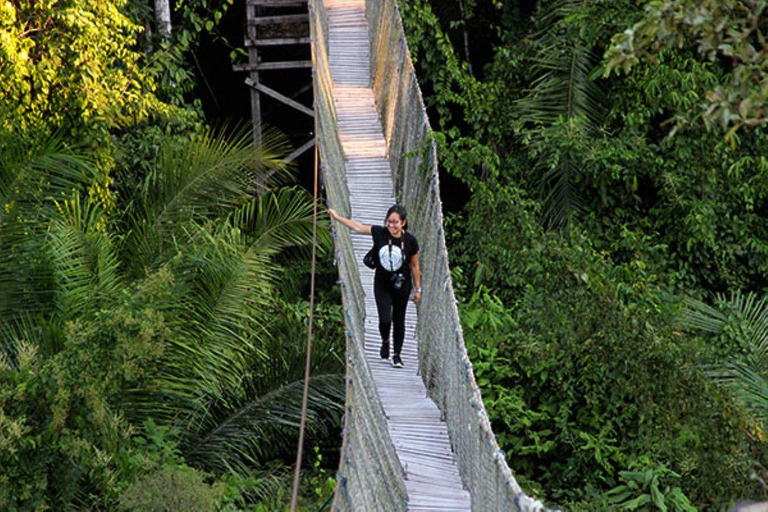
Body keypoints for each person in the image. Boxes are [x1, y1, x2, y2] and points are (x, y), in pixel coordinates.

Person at [328, 205, 421, 368]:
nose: (391, 226)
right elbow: (358, 227)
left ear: (403, 223)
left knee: (399, 319)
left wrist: (417, 289)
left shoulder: (410, 241)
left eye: (395, 222)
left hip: (402, 285)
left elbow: (414, 265)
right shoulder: (380, 233)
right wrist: (337, 217)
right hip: (382, 283)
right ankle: (385, 340)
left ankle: (397, 355)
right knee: (385, 319)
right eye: (389, 222)